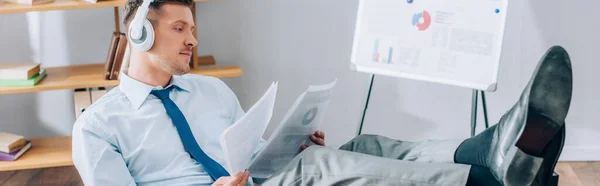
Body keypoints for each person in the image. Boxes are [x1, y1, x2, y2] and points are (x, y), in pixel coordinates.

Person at [71, 0, 573, 185]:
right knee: (316, 169)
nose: (193, 39)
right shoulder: (98, 126)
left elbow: (251, 150)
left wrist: (290, 141)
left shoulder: (207, 91)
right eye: (180, 28)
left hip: (260, 180)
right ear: (140, 31)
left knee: (365, 147)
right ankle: (490, 176)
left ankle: (491, 151)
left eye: (193, 28)